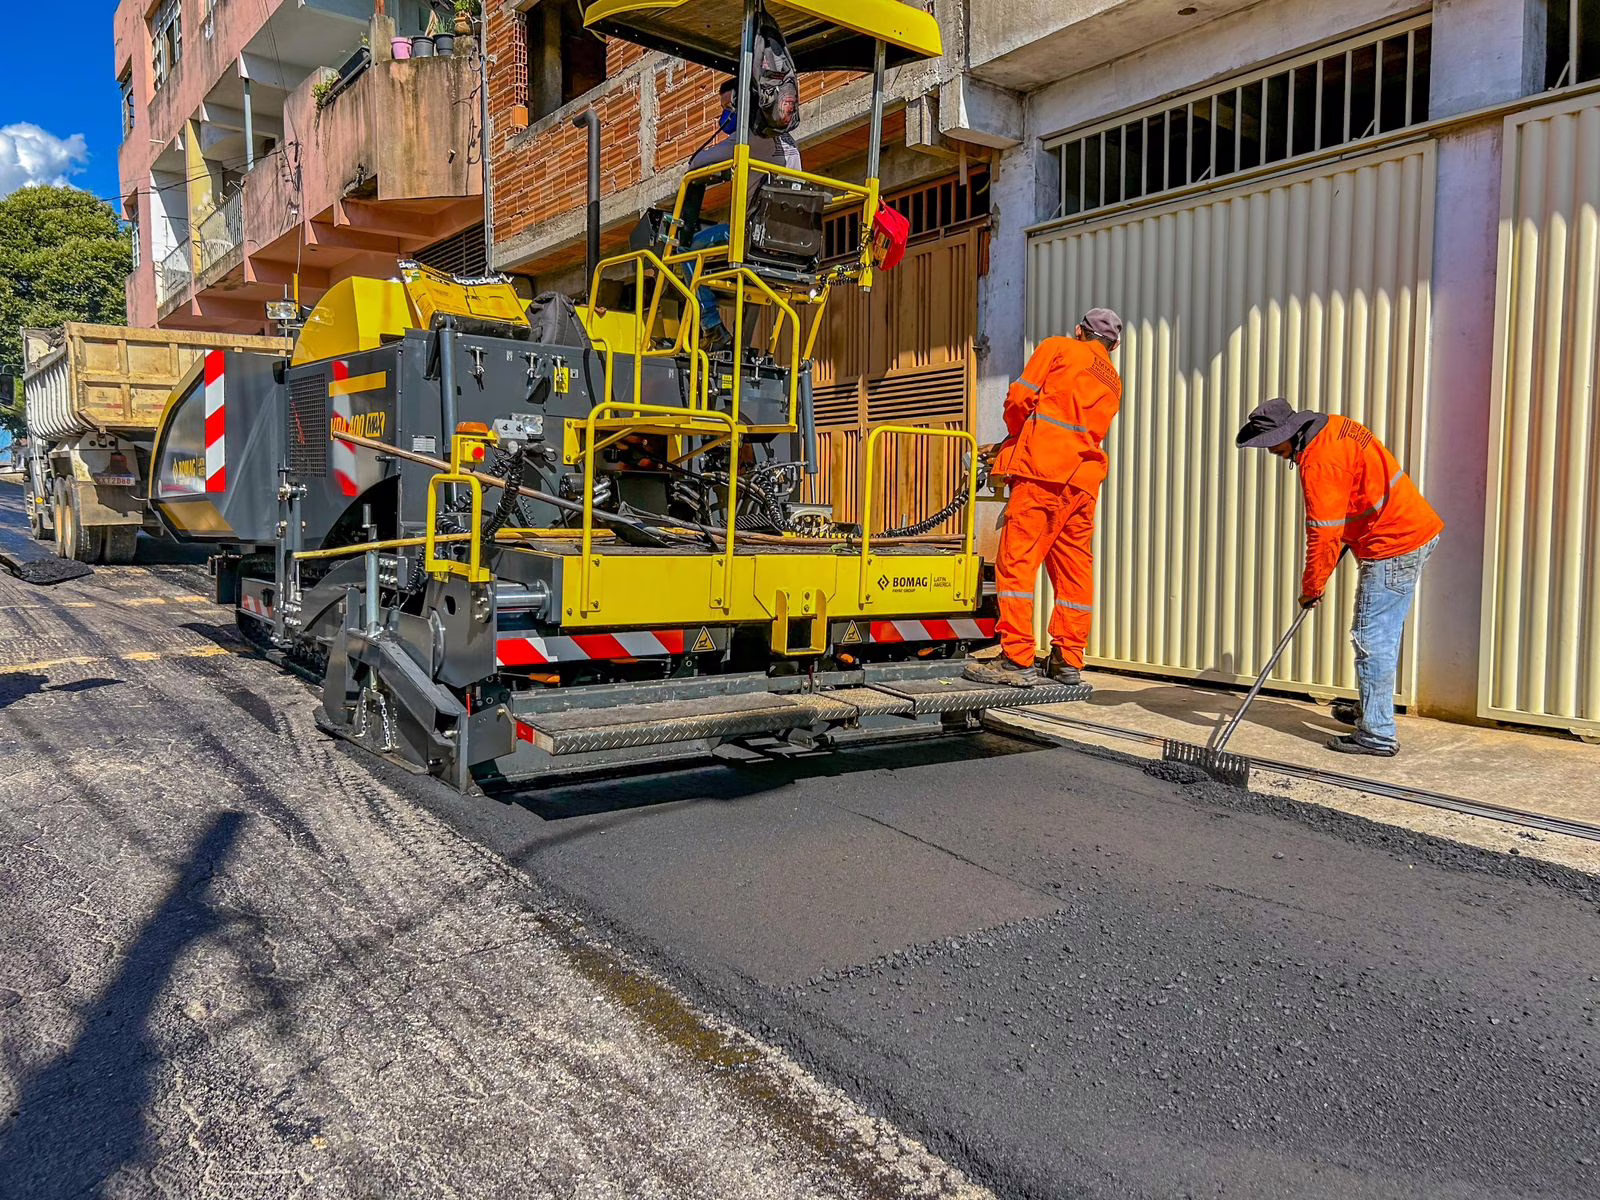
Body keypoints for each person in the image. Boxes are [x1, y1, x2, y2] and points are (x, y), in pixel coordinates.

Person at [1236, 398, 1444, 757]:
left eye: (1273, 445)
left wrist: (1311, 589)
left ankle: (1377, 734)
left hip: (1393, 542)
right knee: (1380, 635)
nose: (1272, 453)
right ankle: (1372, 709)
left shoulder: (1319, 463)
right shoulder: (1334, 426)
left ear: (1291, 434)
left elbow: (1323, 534)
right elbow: (1355, 494)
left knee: (1371, 638)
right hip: (1410, 528)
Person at [963, 309, 1124, 689]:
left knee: (1016, 563)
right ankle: (1067, 659)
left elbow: (1020, 398)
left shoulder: (1058, 347)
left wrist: (1016, 435)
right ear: (1113, 346)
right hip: (1083, 483)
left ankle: (1017, 658)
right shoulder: (1113, 380)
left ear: (1079, 331)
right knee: (1074, 572)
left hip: (1041, 474)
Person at [679, 77, 803, 351]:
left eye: (728, 107)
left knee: (684, 250)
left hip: (752, 238)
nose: (725, 115)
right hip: (790, 243)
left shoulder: (750, 140)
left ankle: (711, 326)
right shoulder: (789, 143)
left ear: (742, 103)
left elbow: (696, 165)